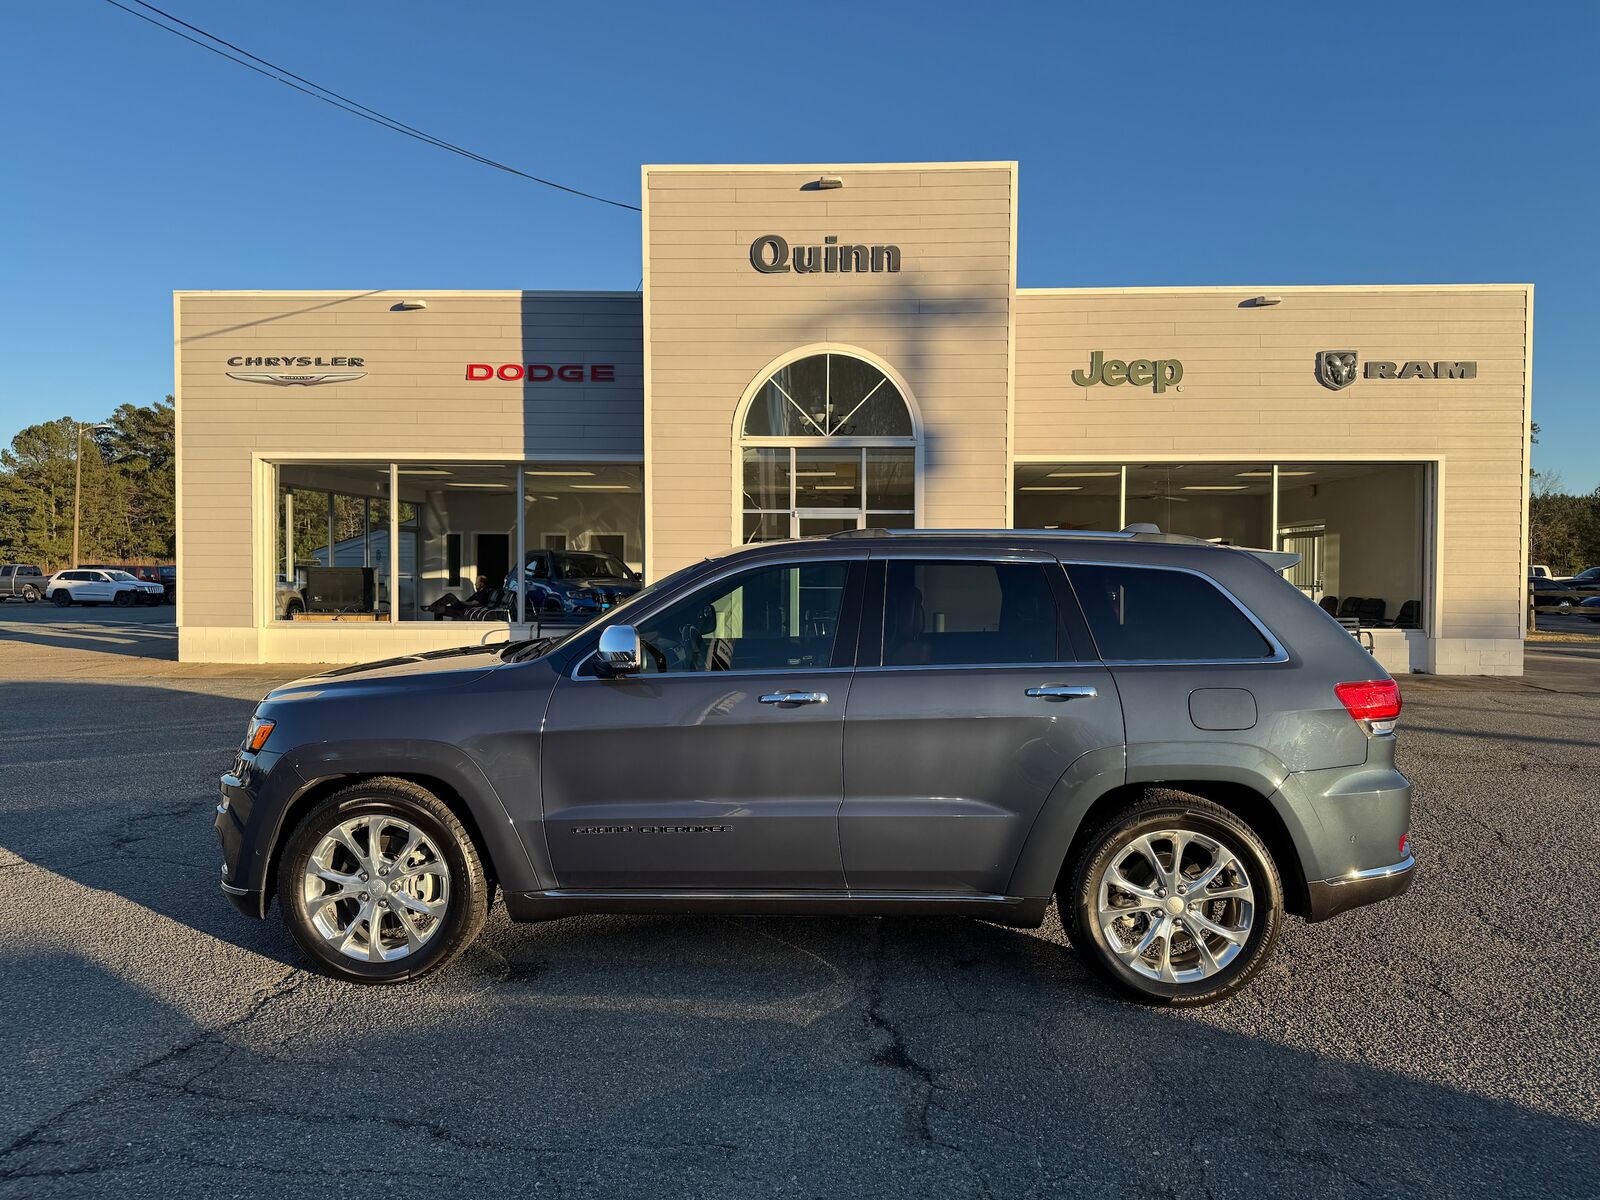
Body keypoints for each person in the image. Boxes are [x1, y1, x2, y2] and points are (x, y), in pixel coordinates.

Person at [425, 575, 496, 620]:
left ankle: (430, 607)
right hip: (463, 607)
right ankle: (432, 608)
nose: (475, 584)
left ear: (482, 584)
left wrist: (461, 602)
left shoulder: (483, 593)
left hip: (466, 609)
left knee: (450, 596)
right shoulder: (477, 593)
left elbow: (474, 603)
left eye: (477, 583)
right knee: (438, 608)